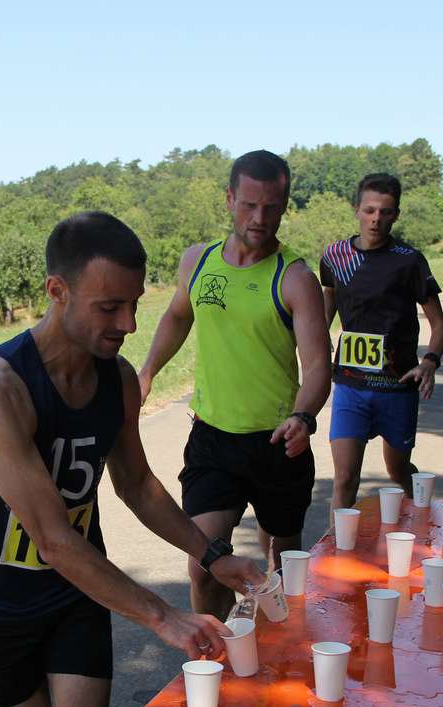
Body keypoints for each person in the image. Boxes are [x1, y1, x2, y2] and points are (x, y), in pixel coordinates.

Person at [0, 211, 265, 707]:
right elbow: (52, 538)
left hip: (73, 594)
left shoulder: (116, 379)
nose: (129, 324)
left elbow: (137, 484)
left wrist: (212, 555)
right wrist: (164, 615)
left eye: (134, 303)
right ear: (57, 291)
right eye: (109, 306)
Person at [137, 150, 331, 619]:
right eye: (249, 205)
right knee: (204, 567)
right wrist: (147, 373)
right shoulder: (198, 262)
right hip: (213, 441)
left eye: (271, 207)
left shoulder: (295, 278)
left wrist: (303, 416)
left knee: (284, 564)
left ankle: (281, 644)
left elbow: (317, 366)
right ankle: (218, 655)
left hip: (278, 443)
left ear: (285, 205)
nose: (259, 218)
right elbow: (177, 316)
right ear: (229, 199)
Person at [319, 173, 443, 510]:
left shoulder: (409, 261)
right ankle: (339, 543)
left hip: (396, 387)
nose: (376, 219)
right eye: (369, 210)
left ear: (396, 215)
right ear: (356, 210)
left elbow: (440, 325)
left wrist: (429, 363)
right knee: (345, 478)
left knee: (399, 471)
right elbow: (328, 304)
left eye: (385, 212)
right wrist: (316, 342)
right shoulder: (335, 256)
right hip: (350, 385)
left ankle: (423, 516)